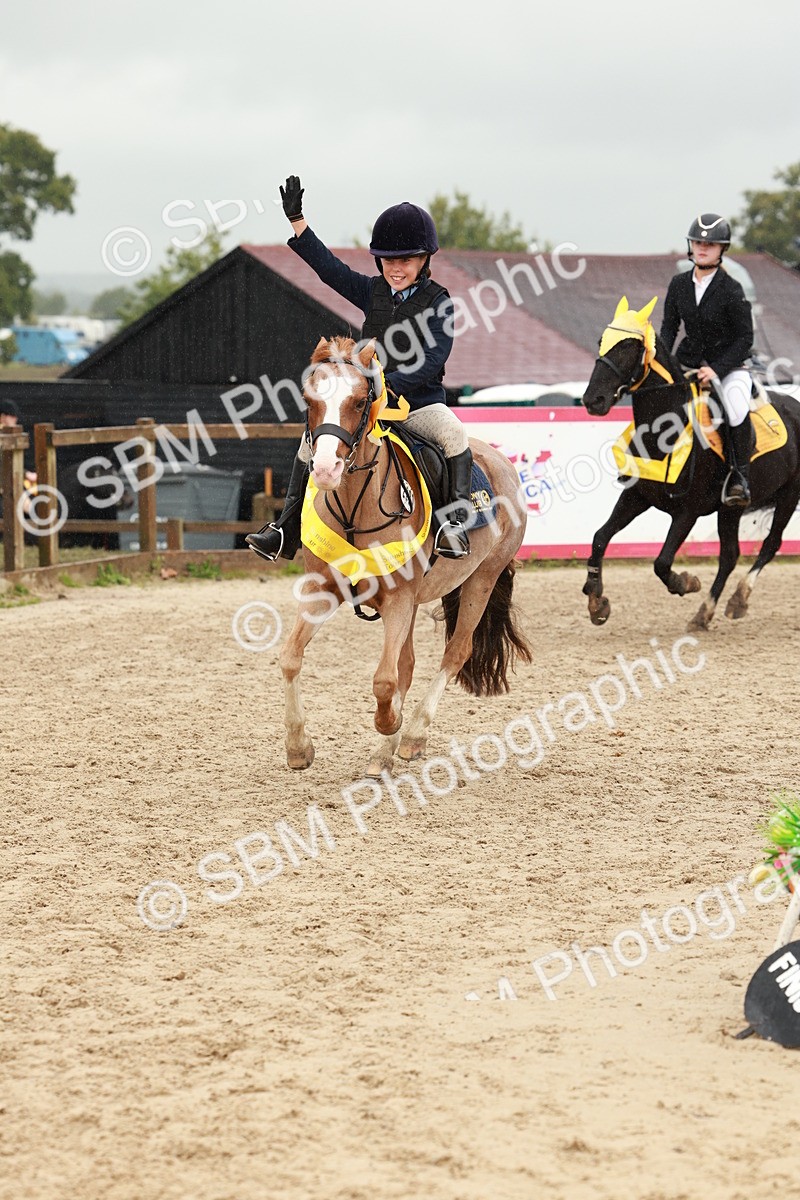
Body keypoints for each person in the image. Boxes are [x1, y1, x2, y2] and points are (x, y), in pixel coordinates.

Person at [246, 176, 473, 561]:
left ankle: (454, 526)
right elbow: (330, 270)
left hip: (418, 404)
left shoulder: (440, 302)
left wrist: (390, 382)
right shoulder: (373, 291)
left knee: (453, 433)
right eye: (388, 261)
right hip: (368, 403)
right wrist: (298, 222)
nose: (396, 269)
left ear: (424, 261)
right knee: (311, 442)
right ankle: (285, 530)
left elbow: (434, 359)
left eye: (406, 261)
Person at [660, 213, 754, 507]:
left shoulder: (731, 289)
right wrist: (663, 362)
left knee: (736, 408)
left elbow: (744, 339)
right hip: (686, 363)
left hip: (727, 368)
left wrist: (716, 369)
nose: (702, 247)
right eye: (698, 242)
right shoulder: (678, 284)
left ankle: (739, 478)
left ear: (721, 249)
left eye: (710, 244)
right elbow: (669, 328)